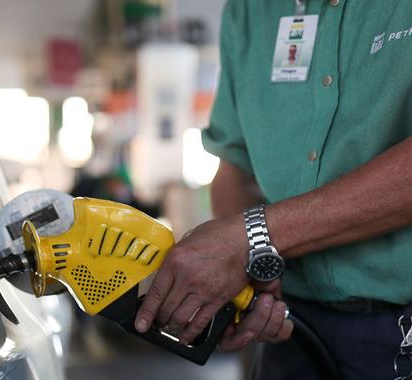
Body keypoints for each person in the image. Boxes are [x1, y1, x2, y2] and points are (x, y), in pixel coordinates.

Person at [134, 0, 412, 379]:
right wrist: (250, 276)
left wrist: (251, 239)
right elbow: (235, 163)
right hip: (288, 324)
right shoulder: (249, 11)